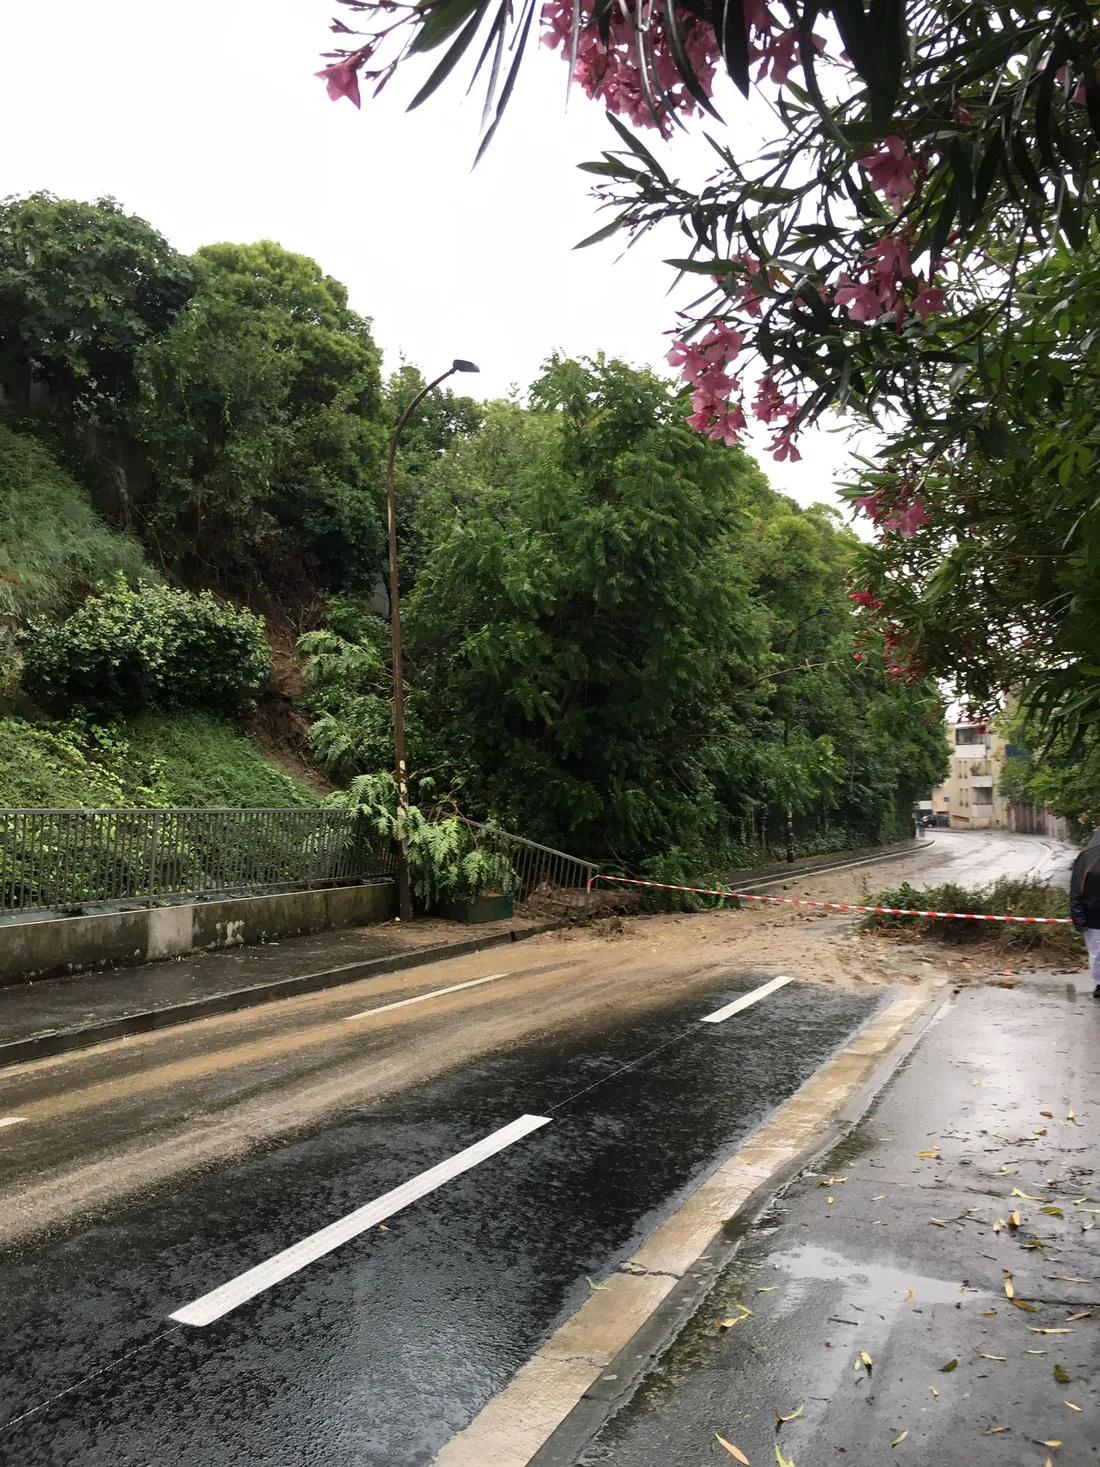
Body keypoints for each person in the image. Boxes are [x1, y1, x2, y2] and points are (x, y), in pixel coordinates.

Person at [1069, 819, 1100, 995]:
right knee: (1097, 954)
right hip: (1094, 918)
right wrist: (1078, 917)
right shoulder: (1087, 861)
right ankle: (1099, 984)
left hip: (1092, 916)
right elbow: (1076, 891)